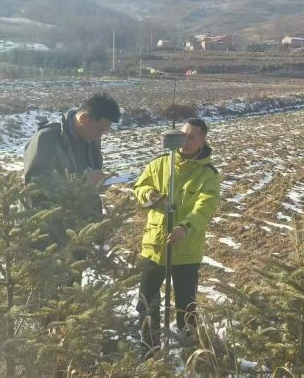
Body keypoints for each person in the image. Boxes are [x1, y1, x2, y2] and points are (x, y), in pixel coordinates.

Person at [132, 118, 221, 348]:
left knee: (186, 307)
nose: (185, 141)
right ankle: (149, 348)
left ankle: (188, 349)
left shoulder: (208, 175)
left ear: (203, 141)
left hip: (186, 251)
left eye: (191, 137)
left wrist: (184, 227)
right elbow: (139, 186)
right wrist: (149, 194)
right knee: (146, 302)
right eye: (183, 135)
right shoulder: (159, 164)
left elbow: (204, 208)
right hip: (154, 247)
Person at [23, 92, 121, 243]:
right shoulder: (46, 139)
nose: (101, 135)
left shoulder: (91, 140)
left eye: (105, 131)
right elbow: (34, 187)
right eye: (100, 129)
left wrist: (98, 183)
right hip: (48, 233)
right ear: (84, 118)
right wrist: (81, 181)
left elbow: (88, 178)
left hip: (79, 230)